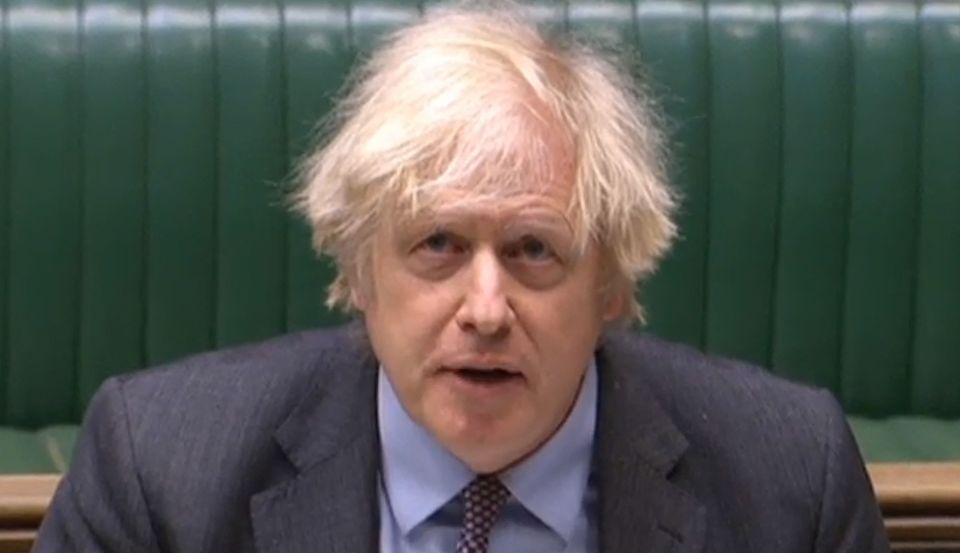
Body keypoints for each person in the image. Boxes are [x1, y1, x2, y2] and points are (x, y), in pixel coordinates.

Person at [34, 6, 889, 553]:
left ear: (613, 285)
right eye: (438, 243)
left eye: (534, 250)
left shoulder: (790, 485)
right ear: (359, 267)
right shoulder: (161, 475)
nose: (486, 310)